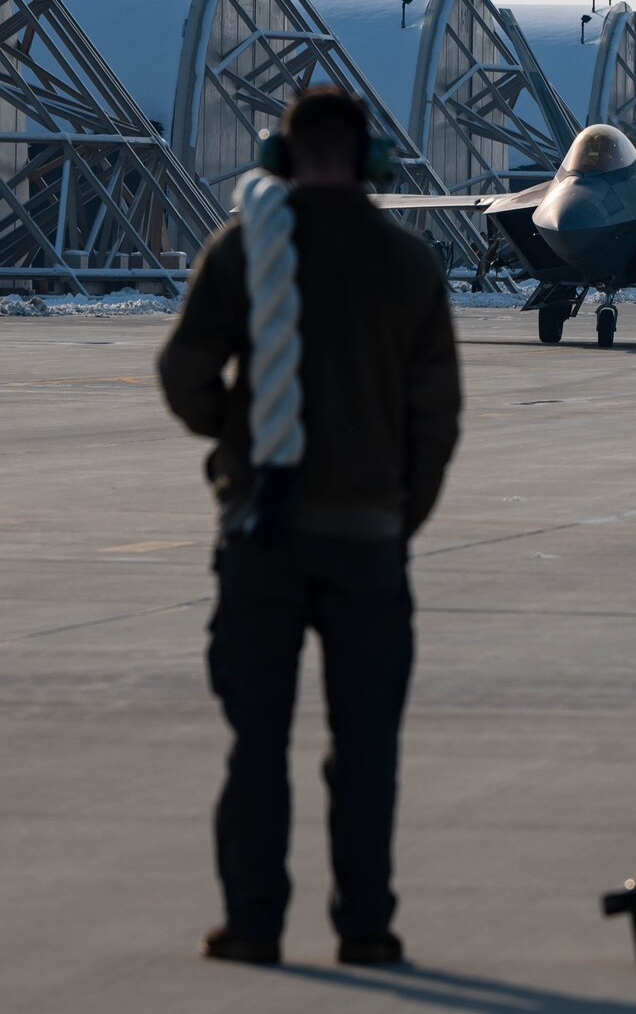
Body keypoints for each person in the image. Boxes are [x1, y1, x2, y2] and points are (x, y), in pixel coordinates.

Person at [159, 86, 462, 966]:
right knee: (365, 751)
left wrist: (239, 441)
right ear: (371, 164)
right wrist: (400, 517)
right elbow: (435, 417)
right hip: (369, 542)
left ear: (280, 160)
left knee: (256, 744)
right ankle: (365, 929)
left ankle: (253, 925)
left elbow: (183, 371)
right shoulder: (408, 264)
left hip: (263, 536)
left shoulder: (244, 248)